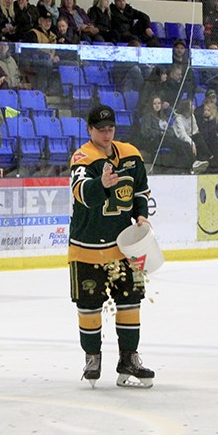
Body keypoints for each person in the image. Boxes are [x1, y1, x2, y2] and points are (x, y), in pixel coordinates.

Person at [68, 104, 155, 388]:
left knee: (131, 301)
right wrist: (101, 184)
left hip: (125, 248)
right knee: (89, 305)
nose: (106, 134)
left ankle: (129, 357)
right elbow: (82, 193)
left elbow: (140, 191)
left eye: (110, 129)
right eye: (100, 130)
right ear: (89, 130)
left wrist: (141, 213)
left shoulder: (131, 154)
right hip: (86, 248)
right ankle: (92, 358)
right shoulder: (82, 158)